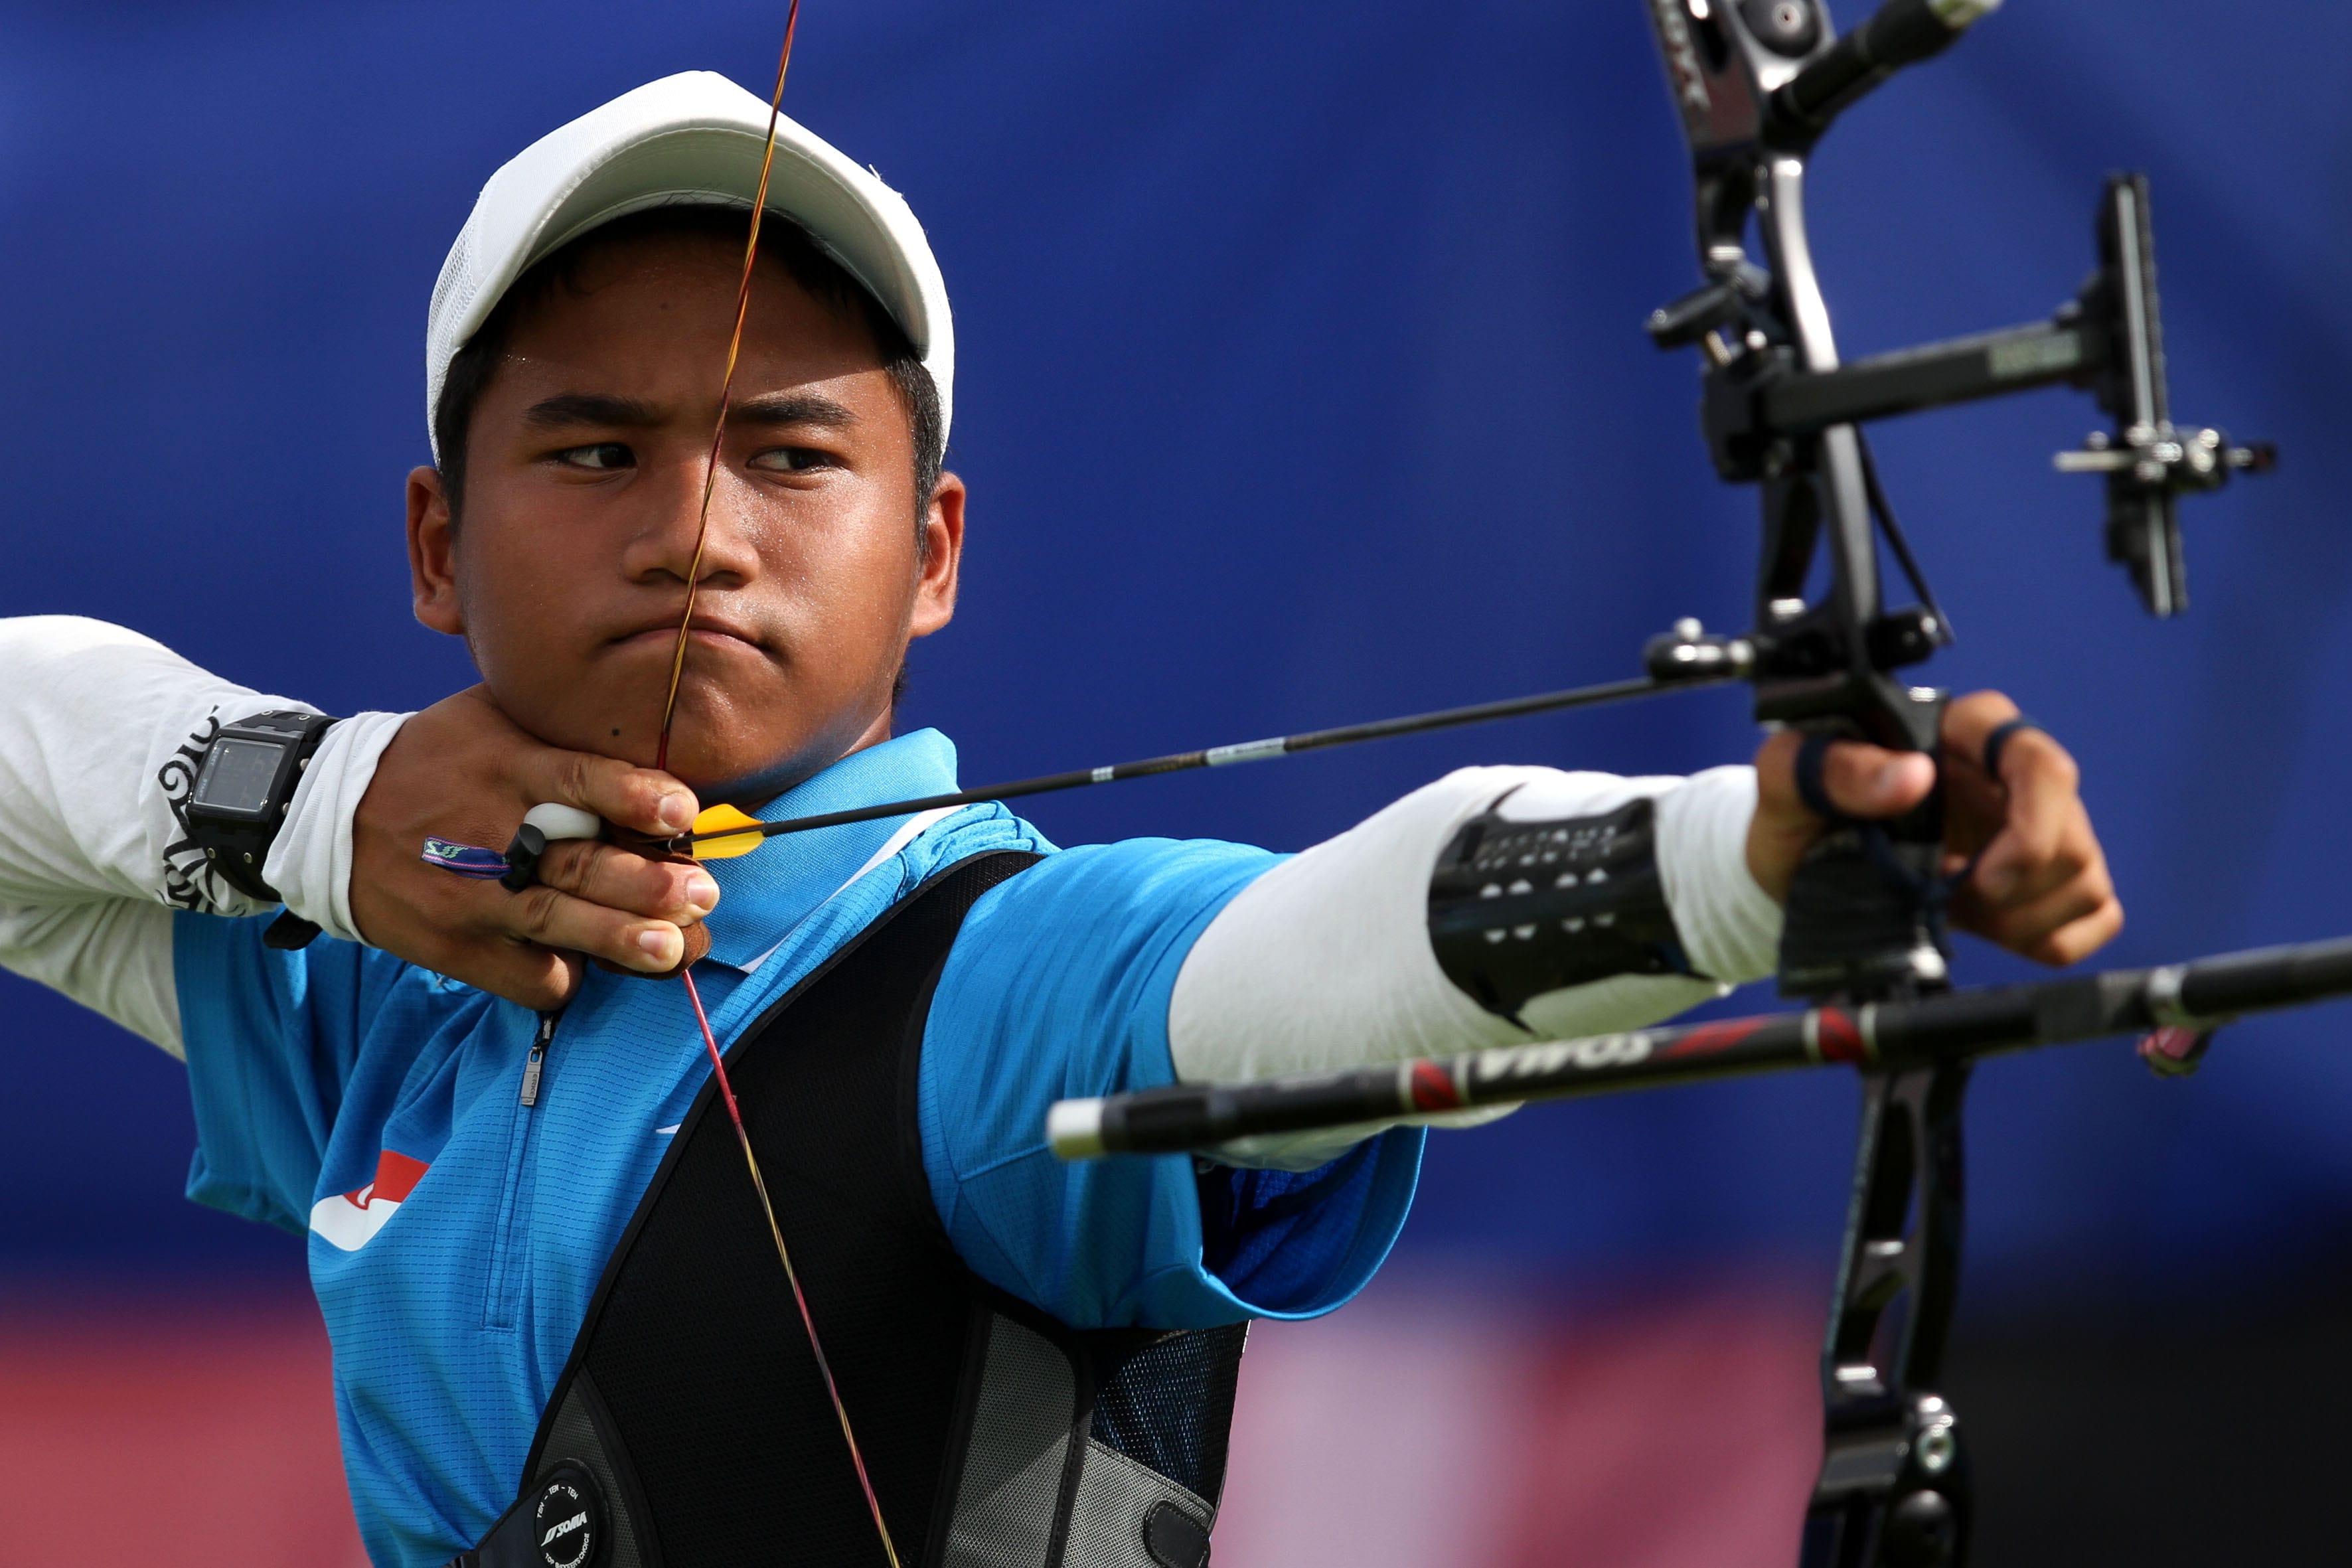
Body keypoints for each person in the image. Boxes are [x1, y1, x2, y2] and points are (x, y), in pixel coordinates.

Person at [0, 71, 2118, 1568]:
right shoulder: (391, 985)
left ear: (931, 550)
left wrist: (1744, 867)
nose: (696, 533)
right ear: (435, 545)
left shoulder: (993, 983)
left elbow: (1306, 963)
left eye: (787, 453)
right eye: (597, 451)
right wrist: (316, 800)